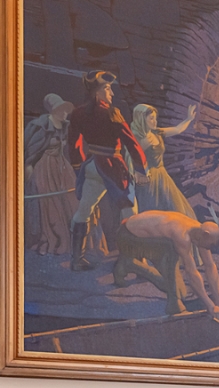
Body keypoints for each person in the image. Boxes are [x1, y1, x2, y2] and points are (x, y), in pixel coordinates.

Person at [65, 70, 147, 271]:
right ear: (97, 93)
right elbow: (131, 142)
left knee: (84, 210)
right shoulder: (112, 113)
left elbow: (74, 145)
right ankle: (134, 259)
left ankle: (77, 260)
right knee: (130, 210)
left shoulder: (77, 113)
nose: (111, 94)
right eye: (108, 89)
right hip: (113, 167)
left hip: (92, 166)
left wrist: (79, 167)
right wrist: (140, 169)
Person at [114, 207, 219, 318]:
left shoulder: (200, 232)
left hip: (140, 232)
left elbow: (210, 265)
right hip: (128, 237)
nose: (212, 248)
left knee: (181, 288)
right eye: (212, 244)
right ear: (206, 234)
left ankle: (125, 265)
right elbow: (191, 272)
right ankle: (130, 265)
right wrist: (210, 306)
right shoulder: (182, 235)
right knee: (171, 262)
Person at [23, 94, 78, 256]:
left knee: (70, 201)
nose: (63, 113)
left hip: (61, 167)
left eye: (65, 110)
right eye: (60, 110)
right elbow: (30, 148)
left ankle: (69, 239)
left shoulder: (66, 126)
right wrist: (28, 166)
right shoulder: (39, 126)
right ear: (52, 110)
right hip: (44, 167)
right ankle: (49, 238)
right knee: (49, 204)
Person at [130, 103, 197, 216]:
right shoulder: (137, 138)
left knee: (176, 208)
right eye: (151, 118)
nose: (155, 121)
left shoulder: (157, 132)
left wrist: (188, 119)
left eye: (155, 118)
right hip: (148, 180)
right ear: (141, 119)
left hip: (162, 176)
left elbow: (177, 129)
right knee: (153, 211)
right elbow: (132, 160)